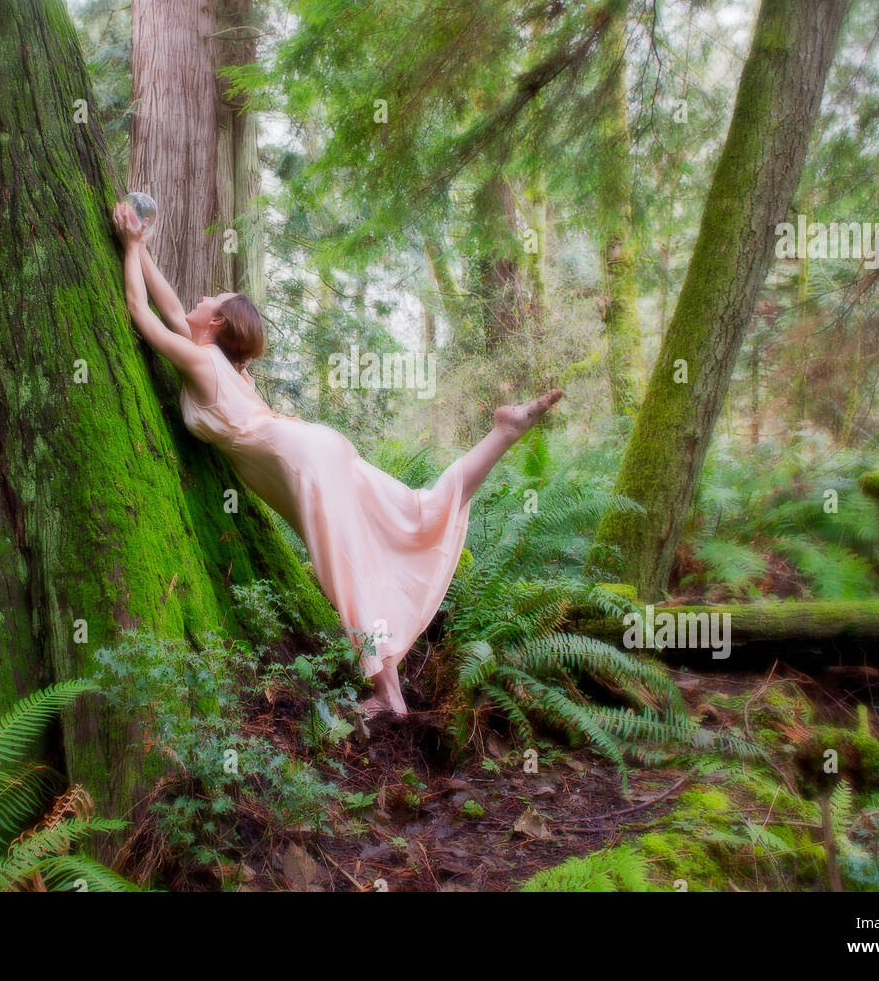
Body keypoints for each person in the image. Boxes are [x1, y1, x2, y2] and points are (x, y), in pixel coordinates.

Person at [112, 201, 563, 717]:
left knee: (346, 571)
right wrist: (141, 246)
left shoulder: (202, 359)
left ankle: (388, 695)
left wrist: (129, 248)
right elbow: (170, 306)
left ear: (215, 322)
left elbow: (144, 313)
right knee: (410, 512)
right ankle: (504, 432)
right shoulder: (215, 359)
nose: (198, 294)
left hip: (302, 461)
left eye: (212, 297)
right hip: (313, 448)